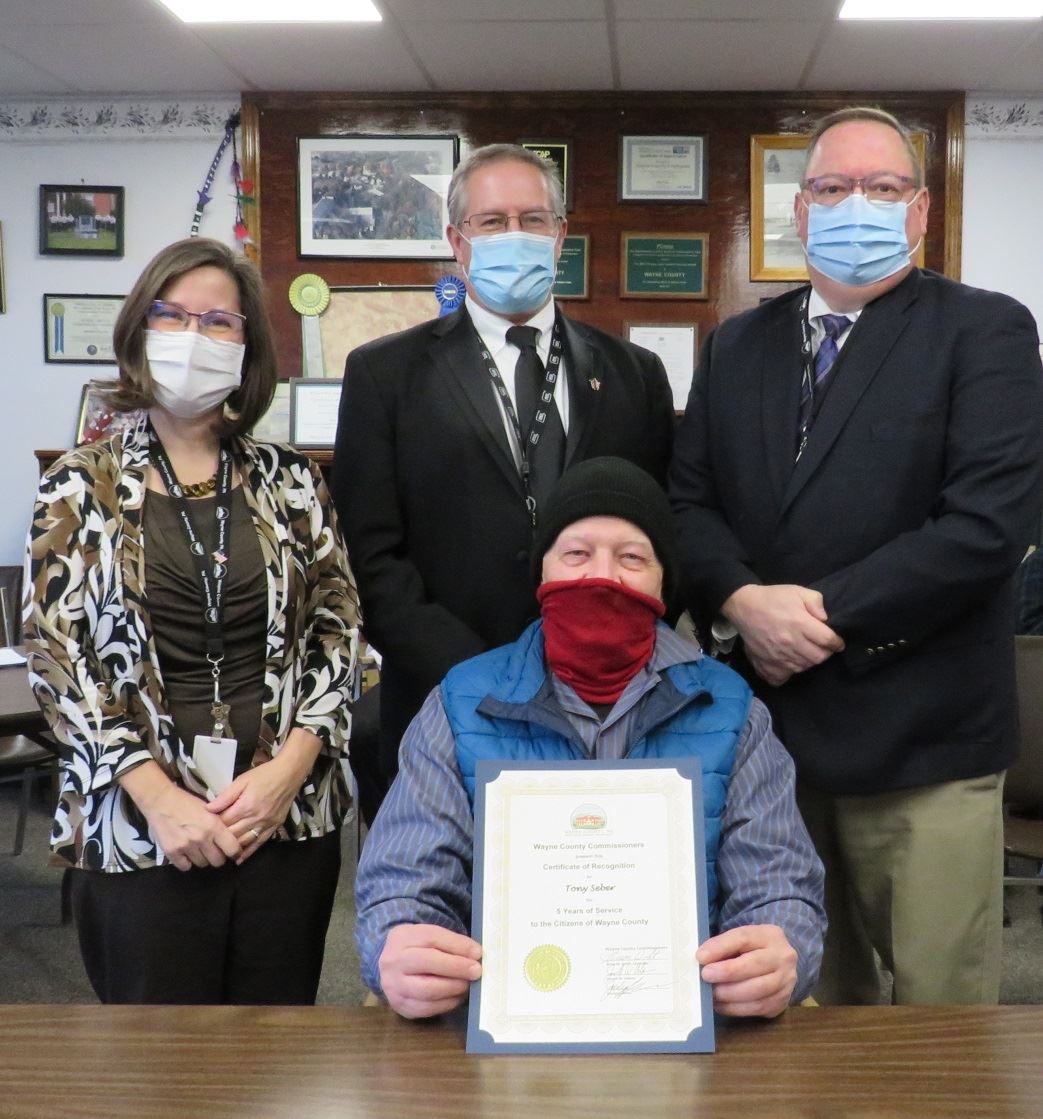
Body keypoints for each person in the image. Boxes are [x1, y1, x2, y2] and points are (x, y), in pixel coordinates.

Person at [669, 106, 1043, 1005]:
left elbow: (986, 527)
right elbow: (687, 504)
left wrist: (817, 616)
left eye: (881, 188)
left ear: (918, 212)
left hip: (922, 740)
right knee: (793, 1012)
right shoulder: (735, 347)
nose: (856, 206)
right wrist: (743, 602)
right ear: (799, 212)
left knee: (936, 1021)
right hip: (771, 747)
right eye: (834, 188)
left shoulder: (983, 331)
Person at [356, 457, 826, 1021]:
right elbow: (405, 879)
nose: (602, 576)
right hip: (499, 1024)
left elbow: (778, 883)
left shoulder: (732, 710)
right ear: (543, 575)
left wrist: (781, 950)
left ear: (662, 583)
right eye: (576, 553)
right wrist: (400, 944)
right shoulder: (460, 703)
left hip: (691, 1027)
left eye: (632, 557)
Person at [25, 237, 360, 1005]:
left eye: (219, 322)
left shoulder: (290, 480)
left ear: (247, 348)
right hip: (143, 826)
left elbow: (338, 632)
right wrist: (160, 798)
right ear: (140, 330)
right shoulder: (81, 485)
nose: (193, 336)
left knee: (276, 1060)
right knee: (158, 1067)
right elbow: (58, 656)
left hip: (282, 821)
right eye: (172, 315)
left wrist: (287, 772)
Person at [331, 144, 675, 806]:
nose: (514, 235)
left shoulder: (635, 374)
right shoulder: (385, 375)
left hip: (606, 703)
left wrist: (600, 659)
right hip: (445, 698)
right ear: (457, 241)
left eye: (532, 218)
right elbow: (370, 556)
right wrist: (485, 673)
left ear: (560, 236)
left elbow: (661, 535)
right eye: (491, 222)